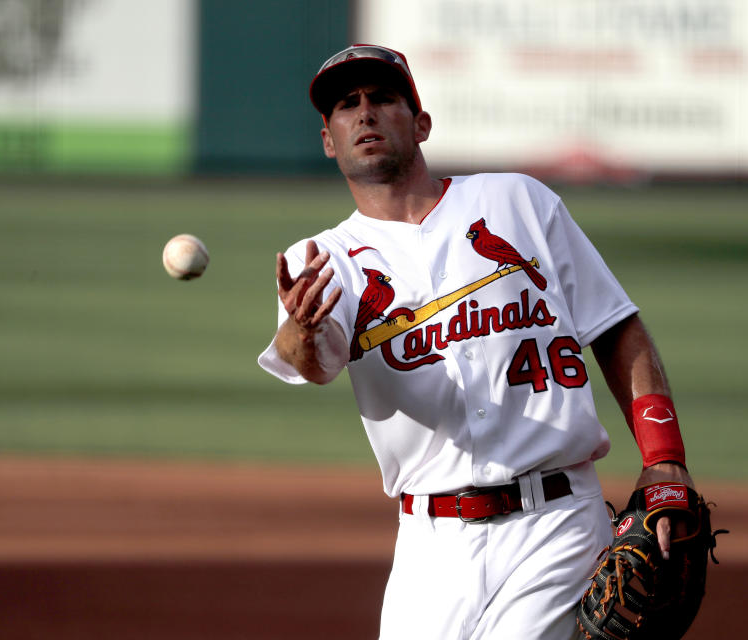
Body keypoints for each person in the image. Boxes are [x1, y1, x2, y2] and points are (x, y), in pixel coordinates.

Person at [257, 44, 696, 640]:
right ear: (329, 140)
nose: (364, 113)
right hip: (429, 548)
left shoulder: (517, 201)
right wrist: (299, 331)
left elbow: (615, 326)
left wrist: (664, 457)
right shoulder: (324, 260)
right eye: (346, 105)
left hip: (556, 525)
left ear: (421, 123)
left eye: (383, 99)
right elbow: (309, 364)